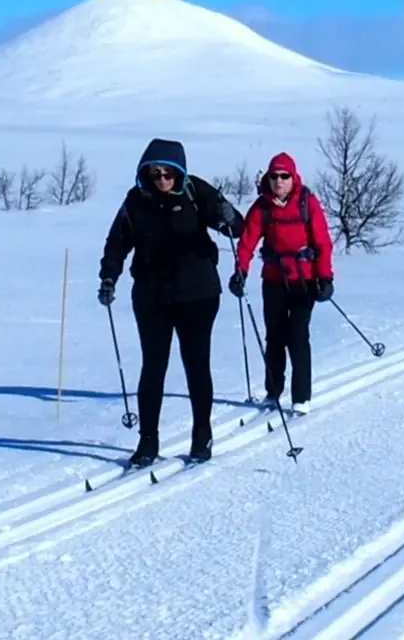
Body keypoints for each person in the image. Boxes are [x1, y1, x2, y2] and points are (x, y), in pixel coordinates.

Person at [98, 138, 244, 467]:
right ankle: (148, 441)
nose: (162, 180)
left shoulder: (197, 192)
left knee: (196, 365)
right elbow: (117, 242)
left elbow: (238, 229)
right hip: (152, 296)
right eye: (155, 174)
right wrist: (109, 277)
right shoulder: (135, 201)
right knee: (153, 367)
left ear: (180, 173)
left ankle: (202, 435)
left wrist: (228, 216)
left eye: (168, 174)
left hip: (198, 294)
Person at [229, 152, 333, 416]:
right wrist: (240, 271)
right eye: (274, 176)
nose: (279, 181)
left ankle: (301, 397)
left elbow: (322, 242)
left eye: (284, 176)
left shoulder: (307, 203)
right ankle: (273, 392)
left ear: (293, 177)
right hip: (274, 280)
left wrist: (325, 277)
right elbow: (247, 241)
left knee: (297, 336)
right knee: (274, 337)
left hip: (304, 281)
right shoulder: (263, 206)